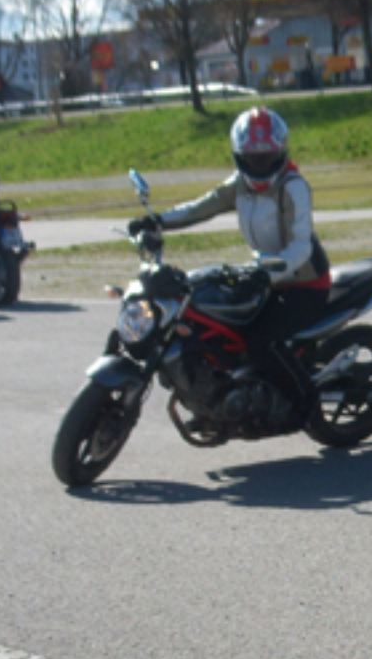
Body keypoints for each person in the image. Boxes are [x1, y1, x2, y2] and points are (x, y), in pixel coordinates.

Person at [128, 106, 329, 430]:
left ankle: (305, 403)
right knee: (217, 324)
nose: (258, 165)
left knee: (261, 341)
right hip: (265, 276)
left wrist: (267, 272)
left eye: (266, 158)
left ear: (280, 153)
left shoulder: (293, 186)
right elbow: (201, 207)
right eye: (251, 158)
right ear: (239, 156)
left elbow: (301, 247)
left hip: (305, 282)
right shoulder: (240, 184)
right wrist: (157, 221)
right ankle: (219, 402)